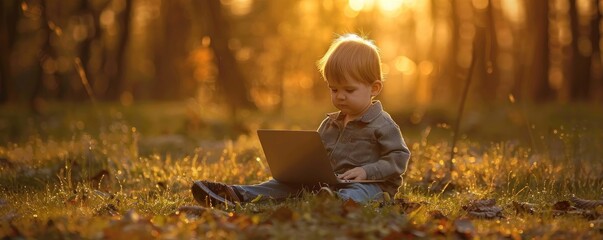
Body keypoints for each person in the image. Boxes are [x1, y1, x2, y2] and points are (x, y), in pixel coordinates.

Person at [192, 34, 411, 207]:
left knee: (357, 193)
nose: (340, 96)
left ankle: (337, 204)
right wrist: (298, 167)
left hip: (371, 185)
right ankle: (236, 194)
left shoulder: (382, 124)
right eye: (334, 89)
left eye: (349, 90)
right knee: (282, 184)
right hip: (327, 183)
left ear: (374, 88)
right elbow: (316, 157)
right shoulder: (330, 124)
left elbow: (399, 158)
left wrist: (366, 172)